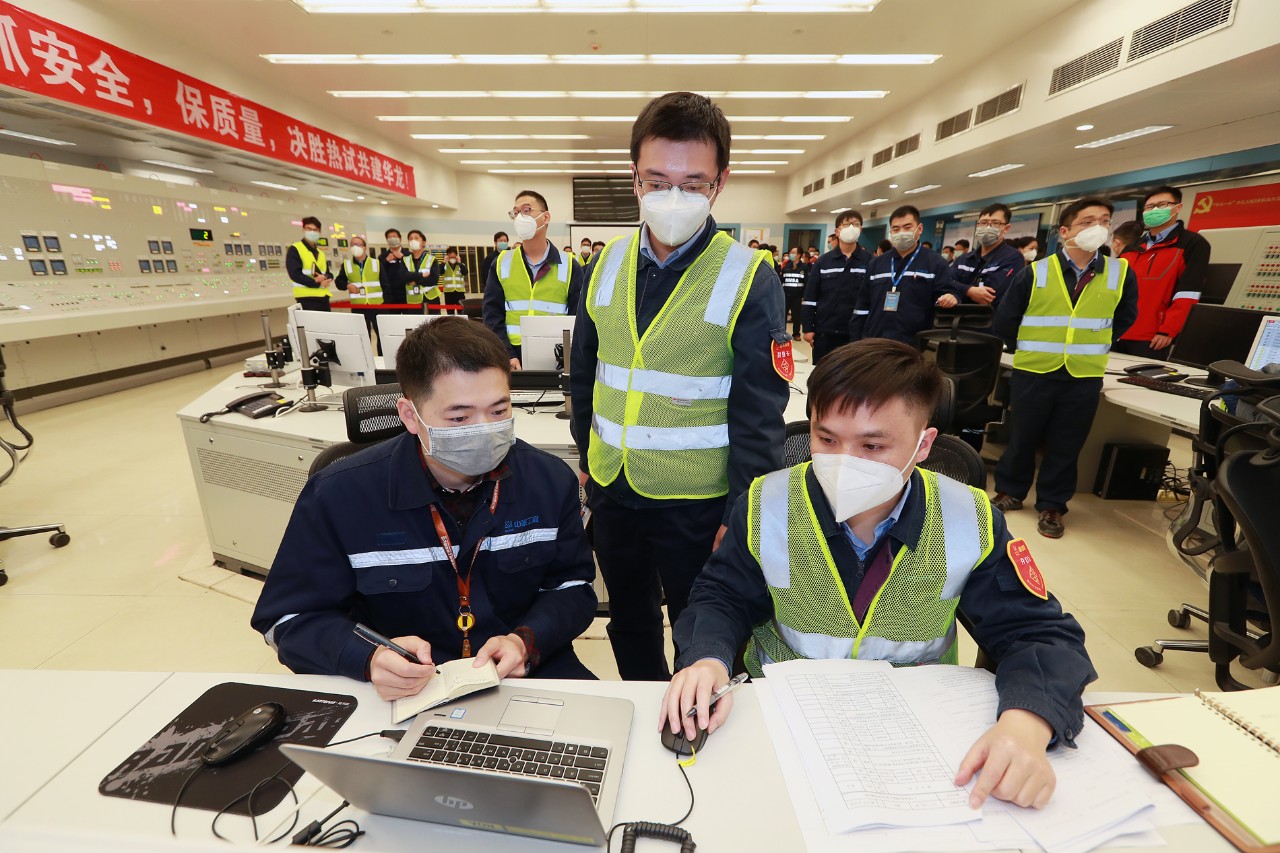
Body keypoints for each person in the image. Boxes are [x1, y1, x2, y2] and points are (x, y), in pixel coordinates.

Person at [661, 339, 1096, 811]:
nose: (843, 462)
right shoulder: (768, 501)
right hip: (783, 717)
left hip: (917, 733)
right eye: (827, 440)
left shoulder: (968, 517)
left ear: (923, 445)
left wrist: (1027, 723)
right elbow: (723, 595)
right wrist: (708, 659)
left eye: (872, 445)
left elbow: (1038, 633)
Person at [251, 317, 598, 692]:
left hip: (525, 672)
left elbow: (573, 588)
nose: (484, 429)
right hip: (402, 685)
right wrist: (367, 657)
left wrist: (525, 641)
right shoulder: (339, 496)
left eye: (499, 411)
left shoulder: (549, 482)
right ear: (409, 416)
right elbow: (287, 619)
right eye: (460, 417)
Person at [570, 91, 788, 682]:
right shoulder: (605, 264)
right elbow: (586, 374)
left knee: (704, 623)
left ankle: (697, 716)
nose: (673, 197)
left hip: (699, 502)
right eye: (657, 181)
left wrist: (741, 514)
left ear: (720, 183)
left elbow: (759, 414)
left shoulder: (749, 275)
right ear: (634, 179)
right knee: (628, 619)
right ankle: (645, 703)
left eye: (693, 183)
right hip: (614, 488)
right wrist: (587, 458)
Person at [992, 198, 1139, 539]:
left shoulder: (1120, 273)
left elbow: (1125, 317)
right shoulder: (1037, 271)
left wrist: (1094, 341)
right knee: (1022, 436)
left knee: (1067, 443)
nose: (1098, 227)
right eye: (1087, 221)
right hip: (1034, 370)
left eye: (1104, 220)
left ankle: (1052, 505)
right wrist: (1027, 346)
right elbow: (1006, 319)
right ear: (1064, 231)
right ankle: (1010, 491)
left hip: (1083, 374)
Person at [484, 189, 583, 370]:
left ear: (546, 217)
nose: (520, 217)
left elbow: (578, 319)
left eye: (527, 210)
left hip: (557, 356)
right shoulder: (501, 263)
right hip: (512, 357)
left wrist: (569, 357)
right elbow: (492, 316)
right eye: (516, 213)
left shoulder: (570, 265)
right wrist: (506, 353)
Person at [1115, 186, 1211, 359]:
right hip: (1118, 333)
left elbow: (1188, 293)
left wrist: (1168, 330)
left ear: (1178, 208)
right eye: (1150, 207)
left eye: (1162, 205)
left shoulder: (1192, 244)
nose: (1154, 210)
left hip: (1153, 338)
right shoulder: (1132, 248)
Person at [849, 205, 960, 345]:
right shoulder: (876, 263)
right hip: (874, 339)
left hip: (911, 342)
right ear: (890, 232)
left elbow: (949, 293)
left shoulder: (935, 263)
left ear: (919, 229)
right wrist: (855, 340)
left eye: (907, 227)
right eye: (896, 229)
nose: (901, 233)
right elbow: (862, 304)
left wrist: (951, 297)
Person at [801, 210, 872, 364]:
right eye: (847, 224)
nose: (851, 228)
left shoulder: (870, 262)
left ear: (861, 229)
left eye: (856, 224)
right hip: (826, 331)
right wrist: (808, 328)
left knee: (855, 373)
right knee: (824, 372)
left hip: (858, 333)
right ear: (837, 231)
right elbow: (810, 298)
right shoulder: (823, 262)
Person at [953, 203, 1026, 310]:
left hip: (989, 318)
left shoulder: (1013, 258)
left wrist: (957, 291)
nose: (988, 227)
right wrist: (970, 291)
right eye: (983, 222)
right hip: (956, 318)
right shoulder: (963, 259)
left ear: (1006, 228)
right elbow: (944, 283)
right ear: (977, 225)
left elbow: (992, 296)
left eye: (995, 223)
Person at [335, 235, 382, 344]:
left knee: (381, 336)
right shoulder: (347, 265)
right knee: (363, 337)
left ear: (365, 247)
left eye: (358, 244)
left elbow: (385, 284)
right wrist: (347, 285)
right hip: (359, 307)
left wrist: (386, 305)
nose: (355, 247)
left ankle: (382, 355)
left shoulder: (376, 263)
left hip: (377, 305)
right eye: (353, 244)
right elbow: (339, 282)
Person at [287, 215, 333, 311]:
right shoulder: (295, 249)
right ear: (303, 229)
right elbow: (295, 274)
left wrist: (325, 277)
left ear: (319, 231)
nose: (312, 232)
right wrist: (316, 282)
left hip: (324, 298)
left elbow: (328, 273)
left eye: (315, 230)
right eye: (309, 229)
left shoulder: (320, 253)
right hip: (307, 299)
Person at [400, 229, 441, 313]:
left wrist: (414, 281)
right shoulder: (405, 260)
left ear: (423, 242)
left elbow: (433, 280)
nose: (413, 240)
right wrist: (421, 275)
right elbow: (403, 277)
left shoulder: (431, 259)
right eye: (410, 238)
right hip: (413, 300)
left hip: (431, 299)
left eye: (416, 238)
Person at [780, 244, 809, 340]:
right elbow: (781, 280)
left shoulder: (804, 267)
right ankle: (782, 333)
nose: (790, 254)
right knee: (783, 315)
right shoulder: (786, 266)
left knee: (796, 316)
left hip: (797, 296)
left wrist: (804, 296)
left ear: (799, 255)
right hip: (785, 295)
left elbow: (807, 283)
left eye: (793, 252)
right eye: (790, 252)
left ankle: (796, 334)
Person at [378, 228, 409, 313]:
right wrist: (386, 261)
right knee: (392, 319)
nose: (392, 239)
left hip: (406, 294)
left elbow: (412, 270)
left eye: (394, 237)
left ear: (400, 238)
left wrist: (403, 258)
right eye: (390, 237)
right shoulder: (382, 256)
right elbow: (378, 272)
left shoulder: (408, 254)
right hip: (390, 295)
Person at [437, 246, 468, 315]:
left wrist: (459, 262)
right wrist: (444, 262)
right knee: (450, 313)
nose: (452, 259)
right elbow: (439, 271)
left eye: (454, 257)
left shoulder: (461, 265)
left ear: (457, 256)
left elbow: (465, 272)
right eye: (450, 257)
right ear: (447, 256)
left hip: (459, 292)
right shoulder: (444, 265)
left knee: (461, 312)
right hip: (448, 293)